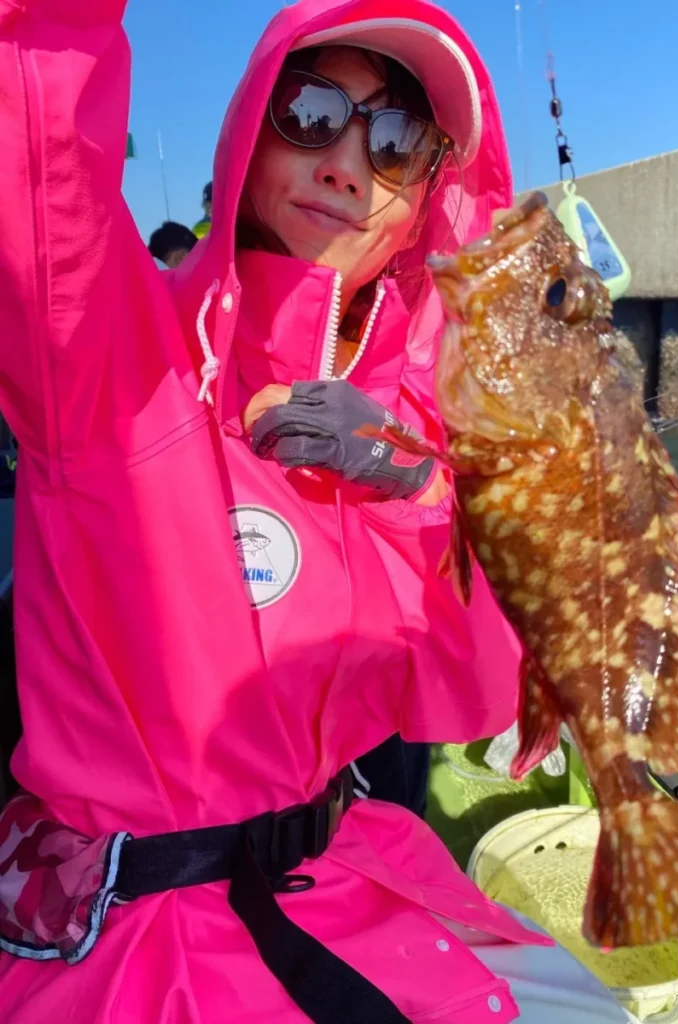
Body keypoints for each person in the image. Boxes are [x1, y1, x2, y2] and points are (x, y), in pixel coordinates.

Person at [0, 2, 640, 1022]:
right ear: (247, 141)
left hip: (354, 875)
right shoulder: (105, 367)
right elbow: (29, 120)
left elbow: (478, 693)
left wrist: (417, 493)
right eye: (309, 113)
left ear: (424, 199)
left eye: (397, 142)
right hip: (150, 951)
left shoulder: (415, 424)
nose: (348, 166)